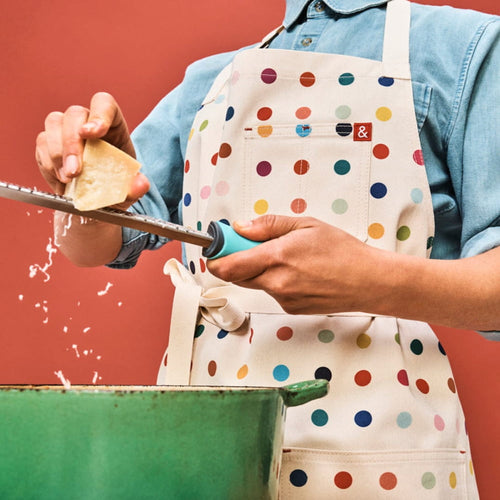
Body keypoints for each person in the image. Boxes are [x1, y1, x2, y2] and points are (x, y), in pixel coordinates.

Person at [35, 0, 498, 497]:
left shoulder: (465, 50)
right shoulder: (210, 82)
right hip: (214, 453)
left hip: (383, 457)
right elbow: (100, 242)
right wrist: (85, 179)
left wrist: (369, 282)